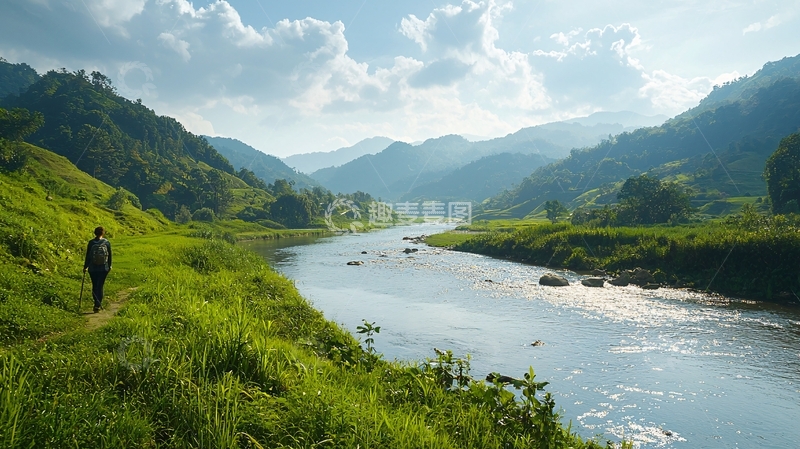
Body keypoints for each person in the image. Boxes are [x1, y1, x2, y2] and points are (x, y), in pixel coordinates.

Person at [84, 226, 112, 313]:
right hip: (104, 268)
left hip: (93, 268)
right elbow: (110, 255)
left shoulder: (91, 243)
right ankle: (98, 305)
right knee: (100, 286)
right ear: (103, 233)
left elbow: (88, 256)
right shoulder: (107, 242)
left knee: (95, 286)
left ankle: (96, 303)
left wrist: (85, 267)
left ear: (94, 233)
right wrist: (110, 266)